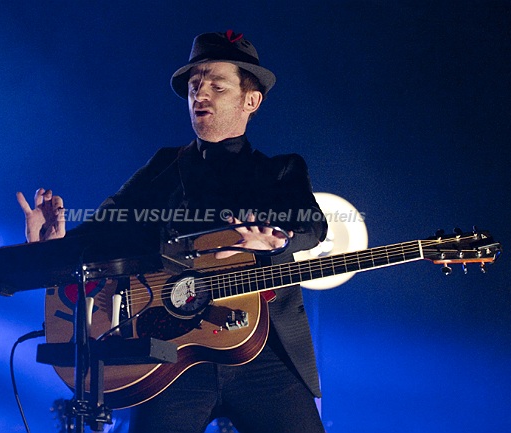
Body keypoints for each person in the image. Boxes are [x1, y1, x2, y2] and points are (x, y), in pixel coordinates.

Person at [18, 30, 327, 433]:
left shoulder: (281, 170)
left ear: (251, 101)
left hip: (264, 355)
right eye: (195, 85)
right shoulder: (164, 166)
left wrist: (278, 239)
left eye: (217, 86)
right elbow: (104, 229)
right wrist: (53, 245)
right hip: (170, 355)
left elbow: (312, 224)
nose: (200, 94)